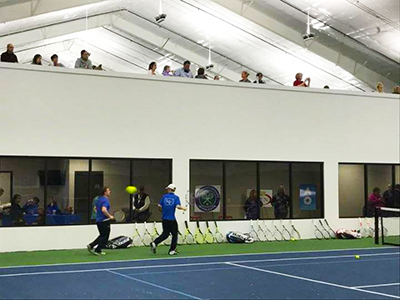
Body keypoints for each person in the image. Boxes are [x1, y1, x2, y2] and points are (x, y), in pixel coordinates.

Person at [150, 184, 187, 256]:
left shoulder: (164, 197)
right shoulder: (176, 198)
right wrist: (184, 208)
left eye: (168, 189)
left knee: (165, 234)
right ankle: (172, 250)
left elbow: (159, 206)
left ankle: (155, 242)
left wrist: (163, 211)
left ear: (170, 189)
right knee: (175, 234)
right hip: (172, 219)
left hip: (164, 219)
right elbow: (178, 206)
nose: (167, 190)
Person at [87, 187, 114, 256]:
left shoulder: (99, 199)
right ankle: (98, 249)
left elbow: (95, 208)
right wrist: (109, 216)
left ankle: (91, 245)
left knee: (102, 235)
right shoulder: (105, 200)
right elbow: (104, 210)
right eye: (108, 190)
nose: (110, 191)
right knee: (105, 236)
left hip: (98, 220)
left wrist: (98, 215)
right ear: (105, 192)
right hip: (104, 221)